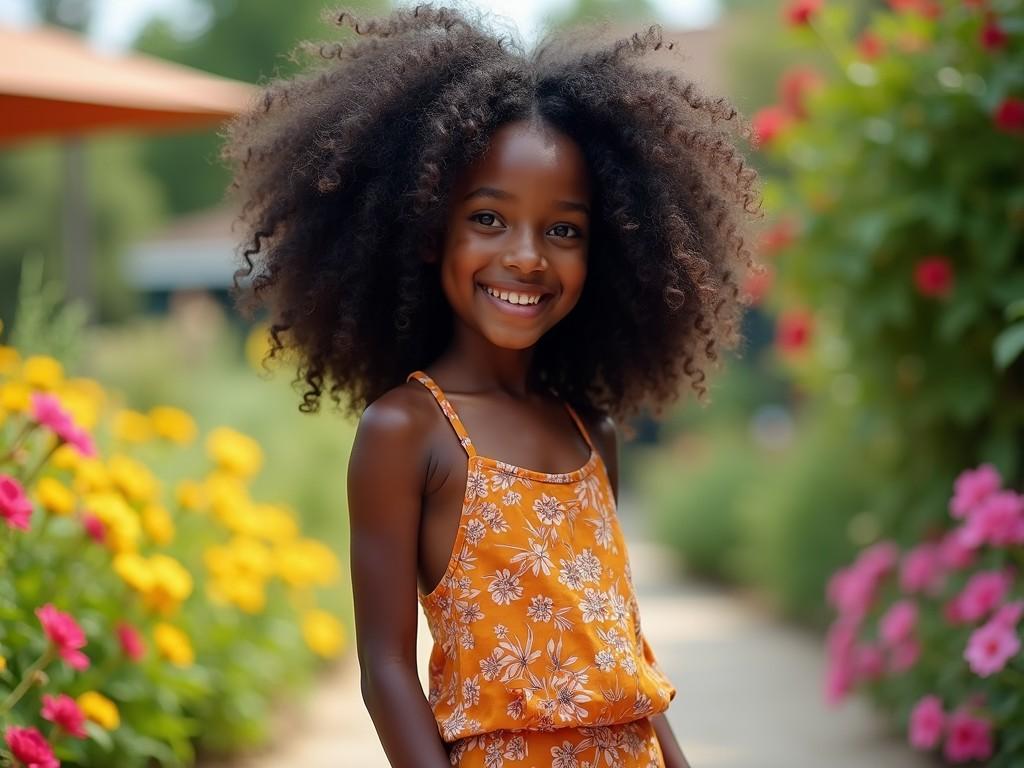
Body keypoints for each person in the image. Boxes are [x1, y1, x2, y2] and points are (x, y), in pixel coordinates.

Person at [222, 5, 761, 766]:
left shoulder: (587, 432)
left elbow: (626, 657)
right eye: (488, 218)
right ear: (426, 229)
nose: (528, 257)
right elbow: (384, 673)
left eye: (563, 230)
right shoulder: (406, 433)